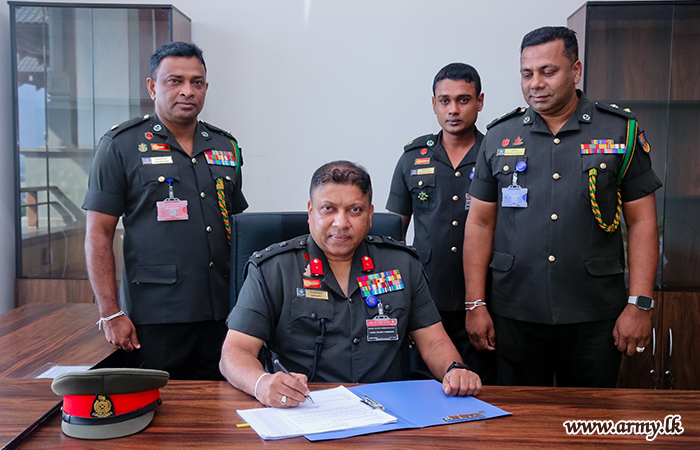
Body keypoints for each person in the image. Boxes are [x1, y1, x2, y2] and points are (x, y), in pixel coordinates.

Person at [463, 26, 662, 387]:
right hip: (516, 310)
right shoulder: (499, 135)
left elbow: (642, 221)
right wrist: (475, 304)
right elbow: (480, 223)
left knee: (592, 413)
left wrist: (640, 303)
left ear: (576, 70)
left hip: (594, 313)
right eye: (527, 73)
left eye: (548, 71)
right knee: (521, 415)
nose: (535, 83)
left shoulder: (619, 130)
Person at [220, 161, 481, 407]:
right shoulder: (273, 269)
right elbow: (235, 351)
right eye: (328, 209)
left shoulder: (402, 264)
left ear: (370, 215)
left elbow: (433, 340)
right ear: (310, 212)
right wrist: (262, 383)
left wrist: (454, 369)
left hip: (389, 411)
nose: (341, 223)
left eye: (354, 210)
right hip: (305, 407)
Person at [83, 42, 248, 380]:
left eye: (197, 82)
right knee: (158, 406)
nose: (188, 91)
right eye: (175, 81)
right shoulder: (121, 146)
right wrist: (110, 312)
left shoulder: (225, 146)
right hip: (155, 317)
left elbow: (238, 228)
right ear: (152, 87)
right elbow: (99, 233)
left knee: (221, 405)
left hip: (223, 313)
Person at [386, 63, 495, 383]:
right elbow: (393, 235)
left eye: (463, 100)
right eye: (445, 101)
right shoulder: (412, 158)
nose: (453, 110)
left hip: (488, 299)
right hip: (426, 298)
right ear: (434, 104)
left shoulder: (496, 155)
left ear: (480, 102)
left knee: (483, 384)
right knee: (424, 386)